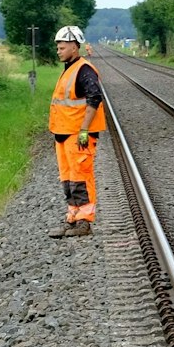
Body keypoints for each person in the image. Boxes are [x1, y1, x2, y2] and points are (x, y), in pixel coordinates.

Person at [47, 25, 107, 238]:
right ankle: (72, 219)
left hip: (78, 135)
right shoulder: (69, 69)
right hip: (63, 134)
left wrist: (84, 130)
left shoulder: (84, 69)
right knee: (68, 179)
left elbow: (94, 99)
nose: (58, 51)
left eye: (62, 47)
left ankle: (84, 222)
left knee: (81, 178)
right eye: (58, 47)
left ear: (74, 46)